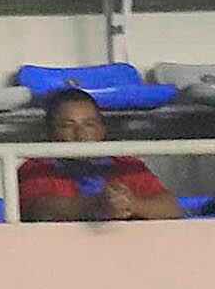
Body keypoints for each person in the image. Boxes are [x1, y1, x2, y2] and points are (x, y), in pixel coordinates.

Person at [15, 90, 179, 223]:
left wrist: (134, 204)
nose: (80, 134)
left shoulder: (126, 164)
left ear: (102, 130)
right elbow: (39, 210)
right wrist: (98, 204)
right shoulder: (36, 167)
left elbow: (170, 208)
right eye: (67, 126)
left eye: (89, 124)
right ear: (49, 132)